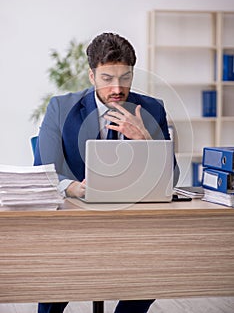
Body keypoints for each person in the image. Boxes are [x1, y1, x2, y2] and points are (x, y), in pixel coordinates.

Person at [34, 32, 179, 313]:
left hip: (131, 222)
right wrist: (74, 188)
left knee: (154, 267)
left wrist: (146, 142)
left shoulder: (151, 108)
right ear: (91, 76)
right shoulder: (62, 108)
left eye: (125, 78)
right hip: (75, 224)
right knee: (55, 280)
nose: (117, 87)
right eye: (107, 79)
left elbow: (170, 179)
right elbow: (43, 169)